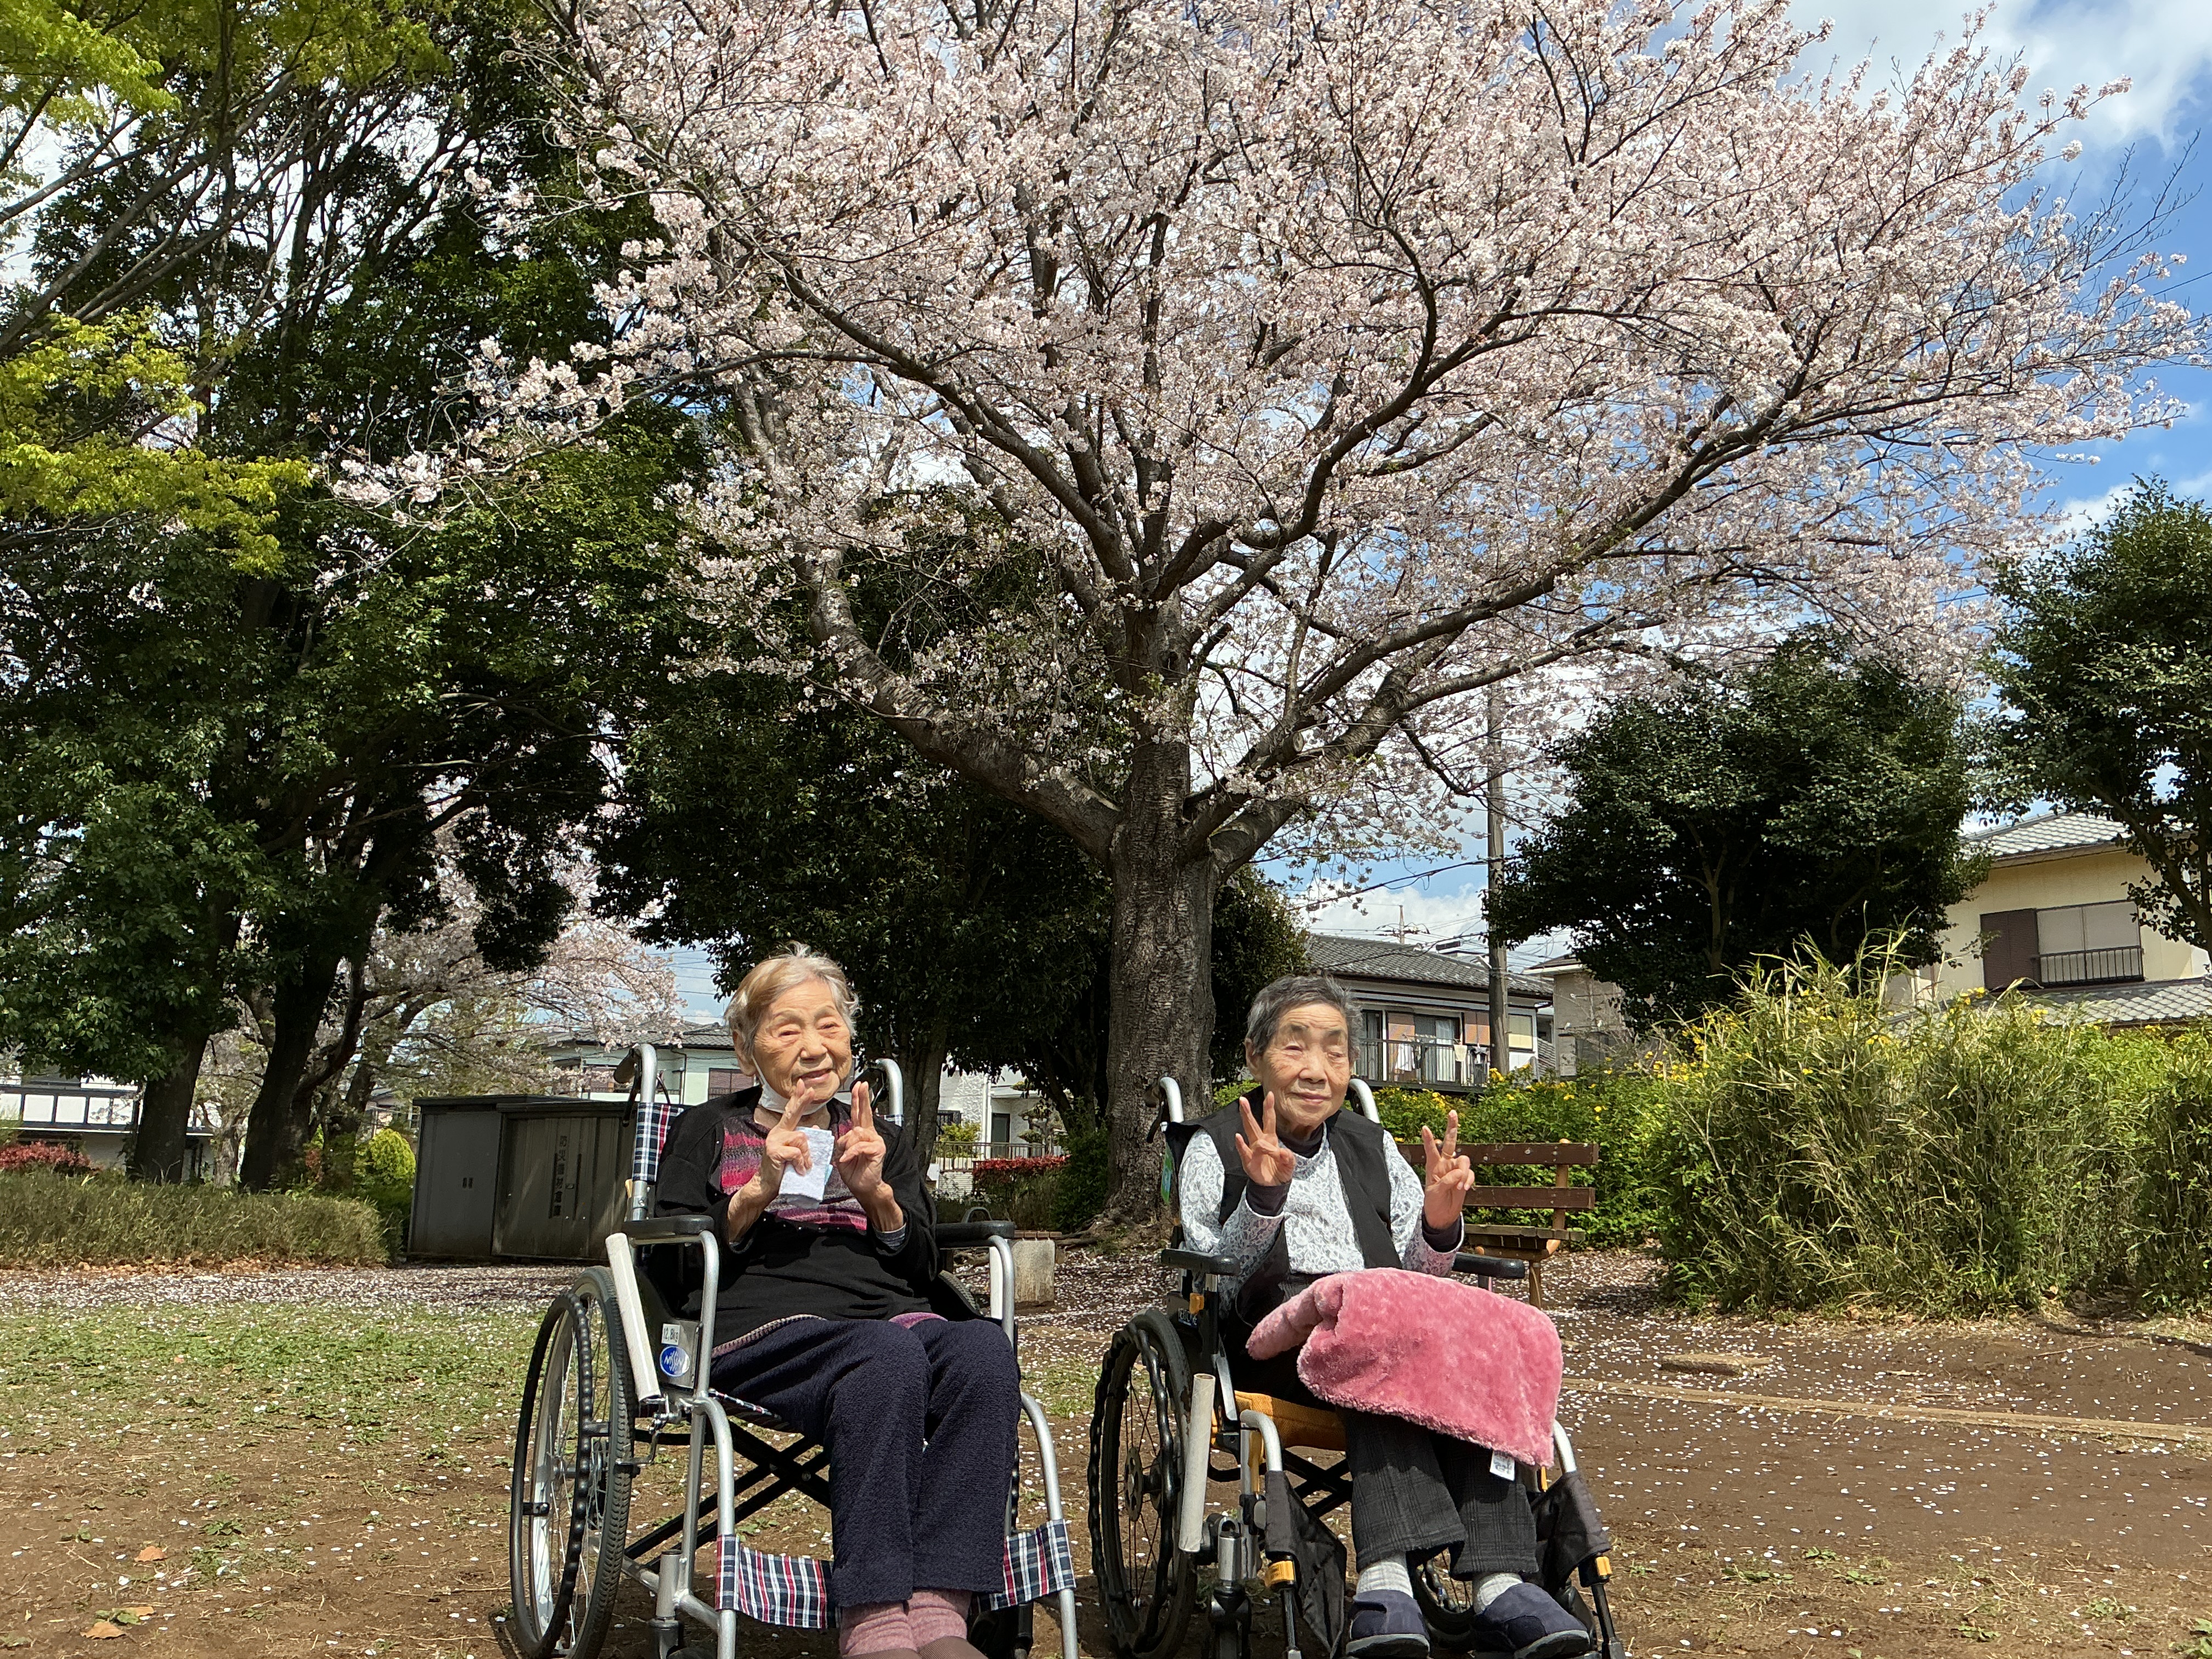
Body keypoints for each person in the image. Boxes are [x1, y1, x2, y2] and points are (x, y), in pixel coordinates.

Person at [1176, 974, 1593, 1659]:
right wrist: (1261, 1199)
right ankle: (1386, 1577)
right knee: (1376, 1334)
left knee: (1467, 1342)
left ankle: (1500, 1579)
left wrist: (1438, 1224)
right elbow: (1212, 1281)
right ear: (1255, 1057)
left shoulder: (1371, 1146)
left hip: (1378, 1329)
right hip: (1273, 1341)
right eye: (1296, 1047)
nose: (1318, 1069)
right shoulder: (1215, 1146)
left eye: (1337, 1052)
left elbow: (1413, 1278)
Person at [656, 944, 1018, 1659]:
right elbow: (670, 1268)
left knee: (982, 1351)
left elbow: (921, 1266)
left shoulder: (883, 1138)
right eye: (787, 1029)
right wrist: (754, 1191)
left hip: (887, 1320)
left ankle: (942, 1610)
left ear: (851, 1040)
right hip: (760, 1325)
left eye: (829, 1025)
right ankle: (875, 1619)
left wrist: (878, 1197)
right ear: (745, 1046)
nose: (814, 1046)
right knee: (882, 1355)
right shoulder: (710, 1128)